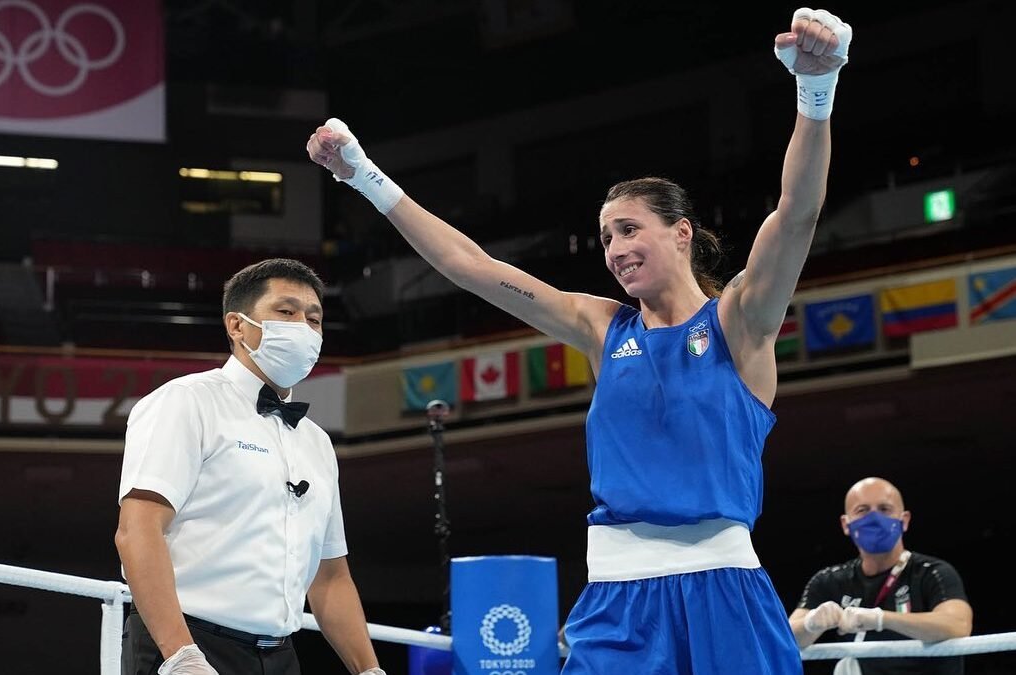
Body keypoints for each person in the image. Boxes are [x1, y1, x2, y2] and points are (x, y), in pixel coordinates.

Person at [308, 7, 851, 674]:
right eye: (605, 238)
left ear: (681, 233)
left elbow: (795, 212)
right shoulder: (601, 326)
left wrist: (813, 91)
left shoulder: (740, 318)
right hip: (615, 600)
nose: (615, 249)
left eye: (628, 229)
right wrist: (364, 175)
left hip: (723, 589)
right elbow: (470, 267)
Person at [114, 258, 385, 675]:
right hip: (185, 642)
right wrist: (180, 655)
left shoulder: (317, 442)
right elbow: (138, 530)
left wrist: (369, 670)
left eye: (315, 319)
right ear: (237, 326)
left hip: (281, 657)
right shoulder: (186, 401)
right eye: (286, 312)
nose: (305, 328)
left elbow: (330, 577)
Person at [789, 477, 973, 675]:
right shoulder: (829, 580)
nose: (874, 518)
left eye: (885, 509)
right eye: (863, 510)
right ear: (845, 523)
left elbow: (958, 625)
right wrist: (810, 625)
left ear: (904, 520)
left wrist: (881, 618)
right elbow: (784, 636)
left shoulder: (932, 571)